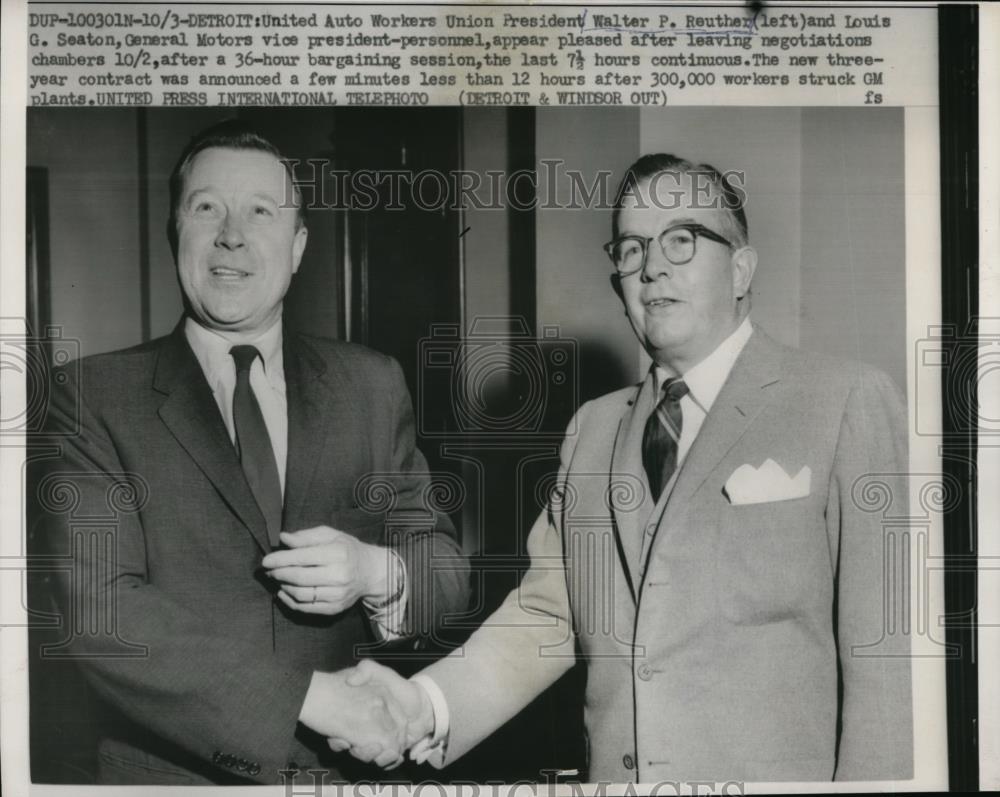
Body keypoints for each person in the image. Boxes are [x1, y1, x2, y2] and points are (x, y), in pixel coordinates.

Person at [328, 153, 914, 783]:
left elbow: (888, 667)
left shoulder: (843, 401)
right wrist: (425, 706)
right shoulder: (592, 430)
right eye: (632, 249)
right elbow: (548, 618)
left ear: (741, 269)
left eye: (682, 239)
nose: (653, 266)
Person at [30, 120, 469, 785]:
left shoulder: (372, 384)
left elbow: (446, 573)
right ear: (174, 232)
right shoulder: (90, 396)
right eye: (207, 207)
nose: (231, 233)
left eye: (260, 211)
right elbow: (103, 613)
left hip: (346, 775)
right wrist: (311, 700)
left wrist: (374, 570)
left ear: (297, 248)